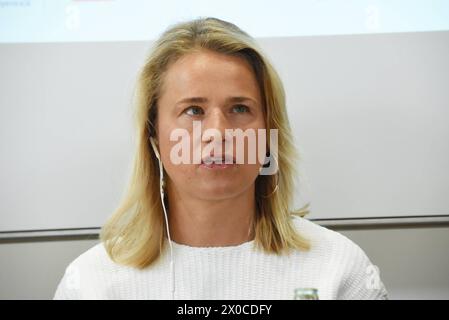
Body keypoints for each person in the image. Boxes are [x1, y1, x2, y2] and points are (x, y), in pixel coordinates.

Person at [54, 17, 388, 300]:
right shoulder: (91, 284)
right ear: (153, 135)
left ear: (269, 132)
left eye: (240, 108)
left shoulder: (339, 269)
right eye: (193, 110)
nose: (218, 132)